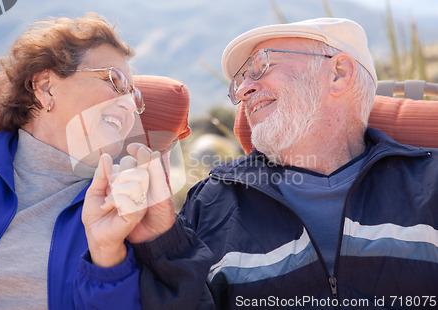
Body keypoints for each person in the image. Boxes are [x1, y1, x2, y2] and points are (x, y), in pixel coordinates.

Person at [132, 18, 438, 309]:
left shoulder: (431, 181)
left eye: (261, 66)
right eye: (239, 81)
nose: (241, 91)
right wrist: (163, 244)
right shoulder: (211, 202)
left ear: (339, 74)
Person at [0, 13, 174, 310]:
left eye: (134, 97)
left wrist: (107, 253)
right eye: (115, 81)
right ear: (46, 87)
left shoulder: (127, 201)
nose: (129, 105)